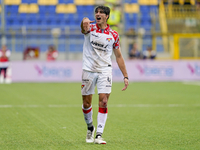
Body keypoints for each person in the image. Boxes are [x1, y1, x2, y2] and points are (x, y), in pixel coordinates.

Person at [80, 5, 129, 144]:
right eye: (96, 12)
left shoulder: (113, 35)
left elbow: (119, 56)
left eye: (101, 12)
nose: (98, 14)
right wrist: (83, 22)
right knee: (86, 103)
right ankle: (90, 127)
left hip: (105, 70)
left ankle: (99, 135)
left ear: (107, 16)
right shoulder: (90, 28)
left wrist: (125, 76)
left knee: (104, 101)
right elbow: (83, 27)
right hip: (89, 69)